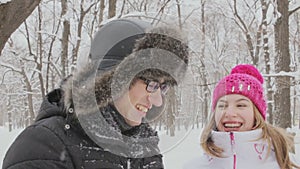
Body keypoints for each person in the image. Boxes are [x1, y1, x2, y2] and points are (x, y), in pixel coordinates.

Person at [3, 18, 189, 169]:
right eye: (152, 84)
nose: (157, 101)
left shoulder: (145, 149)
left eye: (163, 87)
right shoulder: (43, 146)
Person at [183, 64, 300, 169]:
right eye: (223, 105)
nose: (229, 113)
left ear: (257, 113)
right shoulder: (194, 166)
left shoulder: (287, 164)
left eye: (240, 105)